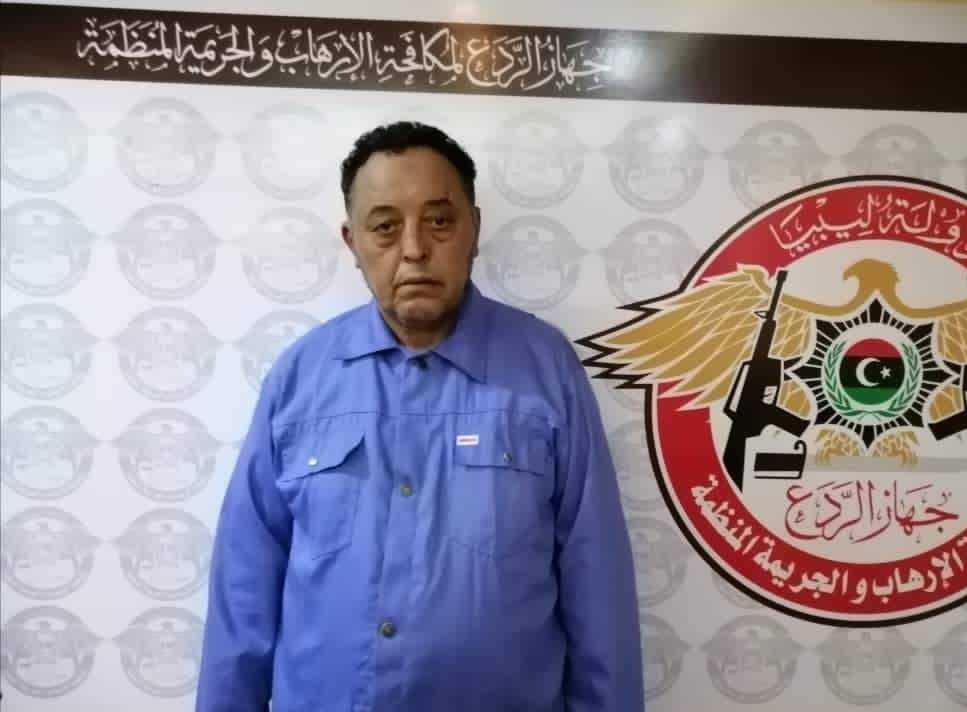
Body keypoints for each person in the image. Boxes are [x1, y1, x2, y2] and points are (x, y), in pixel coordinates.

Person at [195, 122, 644, 712]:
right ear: (352, 241)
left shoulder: (545, 369)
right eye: (385, 226)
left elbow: (597, 581)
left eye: (439, 221)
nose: (413, 249)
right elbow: (243, 588)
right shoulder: (300, 378)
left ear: (474, 229)